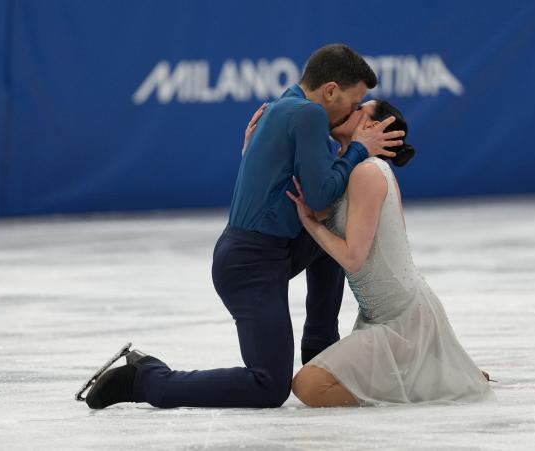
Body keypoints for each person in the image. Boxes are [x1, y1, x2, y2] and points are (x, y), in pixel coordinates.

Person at [84, 44, 405, 409]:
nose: (354, 110)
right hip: (249, 265)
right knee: (269, 386)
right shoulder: (310, 115)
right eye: (354, 101)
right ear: (330, 90)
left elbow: (311, 192)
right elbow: (317, 198)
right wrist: (358, 150)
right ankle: (145, 379)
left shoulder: (284, 106)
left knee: (330, 234)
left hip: (269, 252)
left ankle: (320, 348)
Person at [286, 100, 495, 407]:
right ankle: (431, 377)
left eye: (358, 108)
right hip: (379, 315)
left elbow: (354, 258)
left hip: (401, 318)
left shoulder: (368, 172)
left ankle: (426, 384)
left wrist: (311, 225)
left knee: (308, 386)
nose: (347, 108)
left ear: (372, 127)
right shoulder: (347, 169)